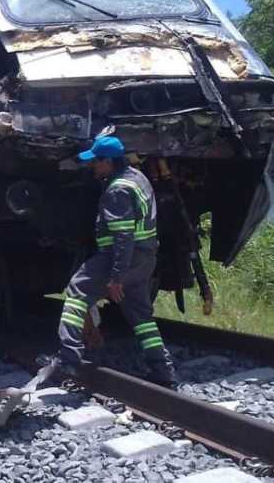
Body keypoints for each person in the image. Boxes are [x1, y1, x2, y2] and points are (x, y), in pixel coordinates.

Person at [49, 135, 177, 387]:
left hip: (120, 257)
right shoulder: (138, 178)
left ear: (108, 162)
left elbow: (123, 236)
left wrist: (117, 276)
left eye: (95, 161)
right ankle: (163, 369)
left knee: (77, 291)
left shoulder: (118, 190)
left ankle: (68, 358)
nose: (92, 166)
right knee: (141, 316)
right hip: (145, 259)